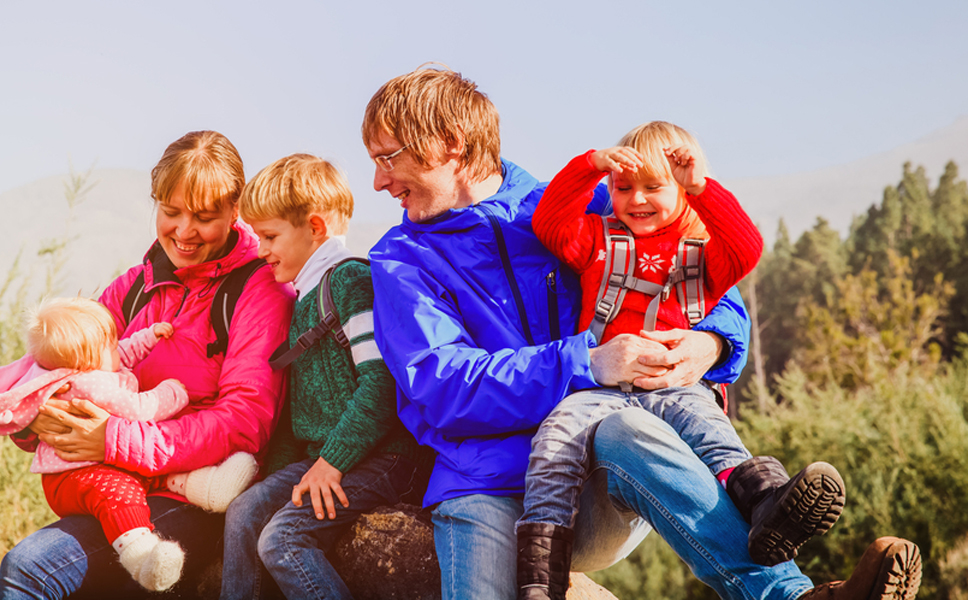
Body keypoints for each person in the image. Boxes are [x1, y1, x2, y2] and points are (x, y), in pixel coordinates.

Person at [362, 65, 922, 600]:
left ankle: (789, 595)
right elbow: (442, 386)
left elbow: (695, 280)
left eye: (389, 158)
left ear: (452, 143)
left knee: (626, 424)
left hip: (597, 473)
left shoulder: (592, 203)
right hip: (481, 482)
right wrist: (588, 361)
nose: (379, 181)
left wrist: (713, 342)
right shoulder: (400, 260)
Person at [517, 123, 845, 598]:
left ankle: (768, 504)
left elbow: (747, 247)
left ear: (682, 189)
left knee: (713, 436)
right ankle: (539, 571)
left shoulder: (704, 255)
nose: (637, 199)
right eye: (624, 187)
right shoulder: (596, 239)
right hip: (599, 389)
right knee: (554, 443)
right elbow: (549, 221)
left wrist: (702, 187)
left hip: (676, 387)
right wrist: (591, 165)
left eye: (655, 187)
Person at [0, 130, 294, 600]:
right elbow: (57, 364)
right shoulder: (136, 286)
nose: (184, 232)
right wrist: (34, 420)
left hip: (195, 496)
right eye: (171, 212)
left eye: (205, 217)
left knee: (30, 570)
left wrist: (112, 439)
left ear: (236, 210)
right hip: (114, 489)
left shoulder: (258, 291)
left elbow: (245, 422)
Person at [221, 153, 430, 599]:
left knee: (283, 540)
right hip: (325, 455)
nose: (261, 251)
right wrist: (272, 482)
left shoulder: (350, 282)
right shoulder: (303, 298)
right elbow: (299, 413)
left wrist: (330, 463)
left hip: (383, 458)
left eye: (270, 236)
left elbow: (380, 386)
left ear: (315, 227)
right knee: (244, 512)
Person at [0, 297, 258, 592]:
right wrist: (173, 392)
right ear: (88, 362)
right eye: (110, 346)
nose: (117, 348)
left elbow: (119, 349)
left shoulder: (88, 363)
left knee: (140, 474)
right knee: (118, 493)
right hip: (80, 475)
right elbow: (141, 408)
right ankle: (140, 554)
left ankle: (209, 488)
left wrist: (149, 335)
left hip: (110, 462)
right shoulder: (93, 384)